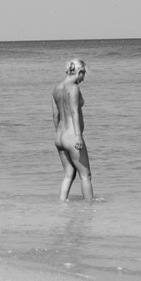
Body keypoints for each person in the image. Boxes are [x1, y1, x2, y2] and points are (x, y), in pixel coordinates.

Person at [52, 58, 94, 201]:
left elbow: (55, 115)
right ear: (79, 71)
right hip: (72, 136)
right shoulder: (74, 88)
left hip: (60, 136)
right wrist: (78, 136)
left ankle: (62, 204)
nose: (83, 79)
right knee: (86, 175)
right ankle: (90, 207)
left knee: (68, 175)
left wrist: (58, 134)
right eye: (83, 74)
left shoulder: (56, 89)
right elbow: (75, 111)